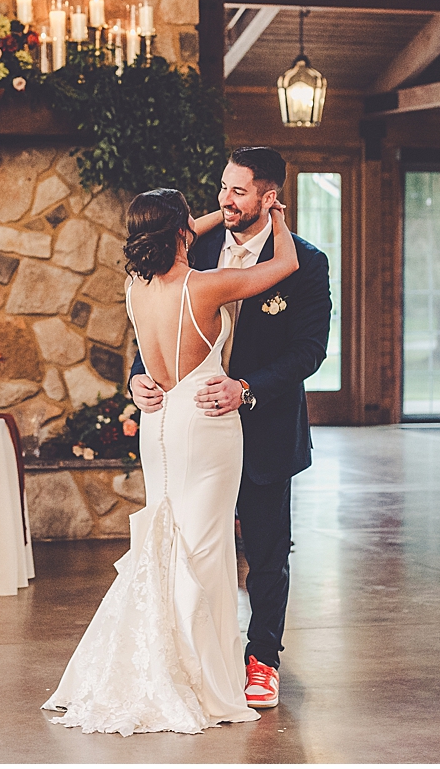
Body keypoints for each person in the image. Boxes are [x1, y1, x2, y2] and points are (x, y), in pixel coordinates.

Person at [43, 186, 299, 736]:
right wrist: (272, 215)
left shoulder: (137, 285)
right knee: (203, 550)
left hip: (158, 420)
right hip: (204, 426)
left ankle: (156, 656)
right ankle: (203, 679)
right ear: (183, 229)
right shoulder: (206, 286)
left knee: (163, 540)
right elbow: (287, 263)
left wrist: (194, 219)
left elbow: (177, 232)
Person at [132, 147, 328, 710]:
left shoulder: (307, 262)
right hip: (195, 428)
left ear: (269, 196)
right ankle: (191, 656)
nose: (224, 199)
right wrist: (138, 379)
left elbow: (311, 350)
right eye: (222, 188)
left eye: (238, 191)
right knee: (192, 541)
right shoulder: (192, 244)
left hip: (263, 424)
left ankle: (262, 658)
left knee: (266, 551)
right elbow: (153, 318)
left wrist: (247, 389)